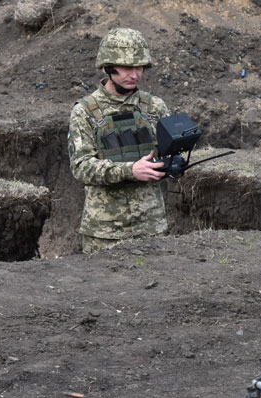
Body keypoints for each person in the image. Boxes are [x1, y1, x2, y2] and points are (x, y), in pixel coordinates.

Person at [68, 28, 170, 253]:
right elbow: (81, 167)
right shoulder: (85, 112)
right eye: (126, 67)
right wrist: (129, 170)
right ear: (108, 66)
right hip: (104, 234)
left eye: (139, 67)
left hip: (151, 227)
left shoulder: (155, 107)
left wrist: (172, 164)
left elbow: (166, 155)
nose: (134, 74)